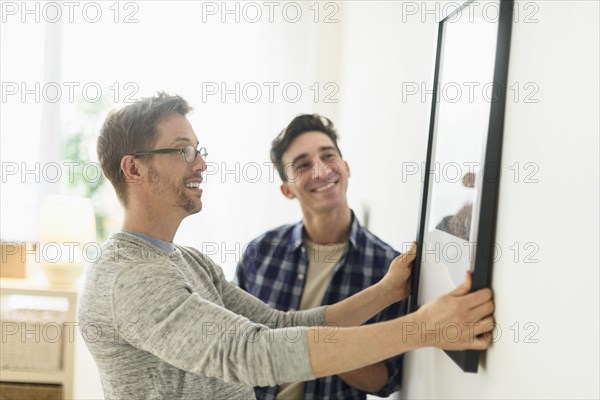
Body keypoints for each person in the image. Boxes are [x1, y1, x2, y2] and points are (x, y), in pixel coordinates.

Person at [78, 92, 495, 400]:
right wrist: (421, 328)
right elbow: (251, 352)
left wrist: (387, 292)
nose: (201, 162)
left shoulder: (190, 261)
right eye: (184, 150)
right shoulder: (129, 277)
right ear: (133, 168)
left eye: (198, 149)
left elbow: (279, 326)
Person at [235, 114, 405, 400]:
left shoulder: (388, 269)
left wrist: (320, 348)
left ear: (346, 167)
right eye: (302, 165)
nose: (320, 170)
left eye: (328, 156)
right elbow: (235, 346)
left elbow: (386, 381)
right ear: (287, 190)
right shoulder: (259, 253)